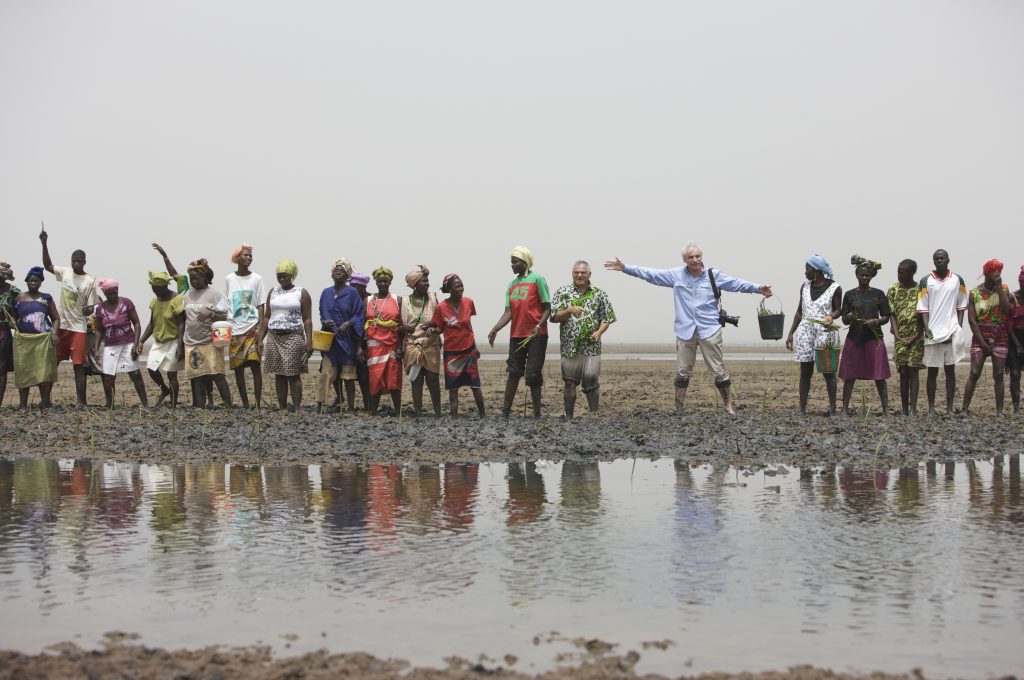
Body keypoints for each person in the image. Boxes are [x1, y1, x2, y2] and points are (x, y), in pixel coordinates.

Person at [606, 242, 771, 415]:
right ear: (685, 259)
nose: (695, 260)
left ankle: (728, 405)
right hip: (685, 330)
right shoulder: (676, 275)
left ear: (701, 257)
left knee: (718, 370)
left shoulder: (713, 275)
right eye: (691, 257)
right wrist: (625, 268)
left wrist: (759, 289)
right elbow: (651, 274)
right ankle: (678, 408)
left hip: (710, 330)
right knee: (683, 372)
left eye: (698, 256)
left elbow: (736, 284)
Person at [488, 246, 551, 418]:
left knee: (532, 374)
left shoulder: (538, 279)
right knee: (513, 372)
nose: (512, 265)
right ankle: (505, 412)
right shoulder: (512, 284)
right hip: (516, 335)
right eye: (511, 262)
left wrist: (539, 325)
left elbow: (547, 307)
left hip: (536, 335)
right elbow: (509, 312)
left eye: (515, 262)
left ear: (525, 262)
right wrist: (495, 328)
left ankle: (537, 414)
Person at [40, 227, 99, 405]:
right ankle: (45, 400)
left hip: (78, 329)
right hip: (62, 326)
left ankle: (81, 402)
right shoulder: (65, 272)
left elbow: (91, 307)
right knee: (52, 364)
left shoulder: (90, 281)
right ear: (71, 261)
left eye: (79, 261)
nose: (76, 264)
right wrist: (44, 243)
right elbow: (48, 266)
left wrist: (88, 310)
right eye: (74, 261)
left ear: (85, 262)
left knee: (78, 366)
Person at [550, 260, 616, 418]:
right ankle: (569, 416)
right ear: (572, 274)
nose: (579, 275)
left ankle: (594, 416)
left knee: (591, 381)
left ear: (589, 275)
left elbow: (606, 319)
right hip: (569, 346)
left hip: (591, 347)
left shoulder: (599, 294)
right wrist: (569, 310)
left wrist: (599, 332)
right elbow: (553, 317)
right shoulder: (562, 292)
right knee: (569, 382)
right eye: (576, 272)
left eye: (583, 273)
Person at [785, 255, 842, 416]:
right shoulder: (804, 287)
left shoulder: (834, 287)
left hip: (824, 331)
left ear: (816, 271)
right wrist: (790, 334)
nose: (805, 272)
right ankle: (802, 409)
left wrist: (831, 316)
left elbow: (839, 309)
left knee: (828, 371)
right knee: (805, 371)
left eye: (807, 269)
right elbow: (799, 312)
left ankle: (832, 410)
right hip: (805, 332)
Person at [916, 249, 968, 416]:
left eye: (942, 258)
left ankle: (949, 408)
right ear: (933, 261)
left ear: (948, 260)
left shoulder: (957, 280)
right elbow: (922, 307)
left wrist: (958, 326)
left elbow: (961, 305)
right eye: (936, 258)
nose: (939, 260)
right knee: (932, 371)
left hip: (951, 330)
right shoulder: (925, 281)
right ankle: (931, 409)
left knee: (950, 371)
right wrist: (926, 328)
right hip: (933, 332)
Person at [838, 256, 890, 416]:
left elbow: (886, 316)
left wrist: (876, 321)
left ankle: (886, 410)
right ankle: (844, 409)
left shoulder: (879, 294)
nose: (864, 278)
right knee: (849, 375)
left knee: (879, 376)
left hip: (874, 339)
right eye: (861, 275)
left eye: (867, 275)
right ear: (857, 275)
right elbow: (844, 318)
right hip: (854, 338)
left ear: (872, 276)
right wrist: (850, 317)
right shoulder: (849, 295)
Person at [260, 259, 312, 412]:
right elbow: (267, 316)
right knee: (279, 374)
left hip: (293, 336)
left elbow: (307, 319)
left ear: (292, 275)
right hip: (274, 336)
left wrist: (309, 341)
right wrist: (260, 338)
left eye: (285, 276)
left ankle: (296, 407)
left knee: (293, 373)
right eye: (279, 276)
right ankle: (282, 406)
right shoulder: (273, 291)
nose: (282, 279)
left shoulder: (301, 292)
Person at [961, 259, 1011, 415]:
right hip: (980, 332)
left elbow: (1006, 310)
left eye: (996, 277)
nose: (993, 280)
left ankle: (999, 411)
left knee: (998, 374)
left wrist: (999, 288)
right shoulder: (975, 293)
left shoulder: (1003, 289)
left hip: (1000, 332)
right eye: (991, 277)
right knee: (975, 372)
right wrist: (982, 343)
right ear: (985, 275)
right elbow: (972, 320)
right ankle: (964, 409)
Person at [432, 273, 486, 418]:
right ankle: (454, 417)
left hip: (469, 350)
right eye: (457, 286)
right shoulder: (441, 307)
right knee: (453, 387)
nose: (461, 289)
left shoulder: (469, 302)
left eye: (462, 286)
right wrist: (432, 330)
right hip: (451, 353)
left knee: (475, 385)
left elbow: (469, 326)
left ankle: (483, 415)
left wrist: (475, 348)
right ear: (449, 289)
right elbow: (439, 328)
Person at [182, 258, 233, 408]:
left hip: (210, 342)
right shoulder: (187, 296)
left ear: (206, 278)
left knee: (217, 374)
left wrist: (211, 313)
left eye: (197, 278)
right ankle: (199, 405)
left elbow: (225, 317)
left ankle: (228, 405)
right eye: (191, 279)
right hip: (191, 342)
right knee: (197, 376)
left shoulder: (214, 295)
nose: (194, 281)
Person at [317, 258, 365, 414]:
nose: (338, 272)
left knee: (348, 376)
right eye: (336, 270)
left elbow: (359, 315)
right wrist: (325, 321)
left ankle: (350, 407)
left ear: (348, 275)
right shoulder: (326, 293)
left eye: (342, 270)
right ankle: (321, 405)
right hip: (330, 341)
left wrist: (348, 323)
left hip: (347, 341)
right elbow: (322, 312)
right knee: (327, 373)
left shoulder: (352, 293)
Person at [92, 279, 148, 408]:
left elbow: (137, 324)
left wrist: (135, 344)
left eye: (114, 292)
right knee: (108, 376)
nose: (112, 295)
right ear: (105, 294)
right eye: (109, 293)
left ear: (117, 291)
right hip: (110, 345)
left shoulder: (126, 303)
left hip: (128, 343)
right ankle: (110, 405)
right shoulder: (100, 309)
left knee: (135, 374)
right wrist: (95, 350)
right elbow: (99, 331)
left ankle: (145, 404)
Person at [11, 266, 60, 409]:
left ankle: (45, 402)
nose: (33, 283)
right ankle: (23, 404)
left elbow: (55, 318)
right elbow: (14, 316)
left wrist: (55, 333)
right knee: (23, 371)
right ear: (26, 281)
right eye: (31, 280)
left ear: (41, 282)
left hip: (43, 340)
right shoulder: (19, 298)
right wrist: (13, 324)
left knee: (43, 372)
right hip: (24, 340)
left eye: (36, 280)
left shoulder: (46, 298)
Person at [137, 271, 185, 407]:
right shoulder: (155, 300)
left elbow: (181, 324)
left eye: (158, 289)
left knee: (172, 375)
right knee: (151, 368)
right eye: (153, 289)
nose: (155, 291)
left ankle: (174, 404)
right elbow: (152, 323)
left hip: (174, 340)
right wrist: (141, 341)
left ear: (165, 287)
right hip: (159, 341)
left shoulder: (176, 300)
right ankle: (164, 389)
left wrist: (180, 346)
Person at [225, 243, 265, 409]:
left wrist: (261, 333)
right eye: (245, 255)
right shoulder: (229, 279)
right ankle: (245, 403)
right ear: (237, 258)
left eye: (250, 256)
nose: (248, 258)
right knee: (238, 369)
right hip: (235, 330)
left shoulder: (257, 279)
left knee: (255, 366)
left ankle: (256, 403)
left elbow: (260, 305)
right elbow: (228, 305)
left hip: (252, 328)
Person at [401, 265, 442, 418]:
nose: (427, 284)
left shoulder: (432, 297)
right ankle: (418, 413)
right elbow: (399, 325)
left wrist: (433, 324)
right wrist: (403, 328)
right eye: (423, 282)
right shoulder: (404, 301)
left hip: (431, 343)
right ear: (414, 284)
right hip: (412, 344)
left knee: (433, 379)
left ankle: (438, 413)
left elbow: (440, 320)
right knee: (416, 379)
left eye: (427, 281)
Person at [887, 259, 925, 415]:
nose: (899, 275)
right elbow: (892, 314)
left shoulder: (920, 290)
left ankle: (913, 408)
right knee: (903, 371)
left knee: (913, 371)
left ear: (912, 273)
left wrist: (917, 335)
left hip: (916, 336)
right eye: (898, 271)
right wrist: (896, 335)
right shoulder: (893, 289)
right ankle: (904, 408)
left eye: (903, 272)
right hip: (900, 336)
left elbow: (924, 314)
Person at [364, 267, 403, 415]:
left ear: (390, 282)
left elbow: (401, 325)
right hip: (373, 345)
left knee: (394, 378)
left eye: (385, 281)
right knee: (375, 378)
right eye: (379, 281)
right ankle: (373, 412)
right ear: (375, 282)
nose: (382, 284)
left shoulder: (397, 300)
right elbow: (363, 324)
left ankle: (398, 411)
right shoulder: (368, 300)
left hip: (392, 345)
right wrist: (360, 347)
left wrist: (400, 346)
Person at [348, 272, 372, 411]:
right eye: (351, 286)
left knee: (365, 376)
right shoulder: (350, 298)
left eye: (355, 286)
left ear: (362, 287)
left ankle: (368, 405)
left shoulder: (370, 300)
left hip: (366, 342)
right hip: (351, 340)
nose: (353, 289)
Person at [0, 262, 21, 407]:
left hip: (3, 331)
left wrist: (14, 320)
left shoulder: (13, 291)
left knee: (1, 367)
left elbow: (20, 310)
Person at [1008, 265, 1024, 414]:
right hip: (1014, 339)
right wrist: (1018, 344)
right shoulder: (1013, 297)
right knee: (1015, 374)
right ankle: (1016, 408)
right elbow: (1008, 325)